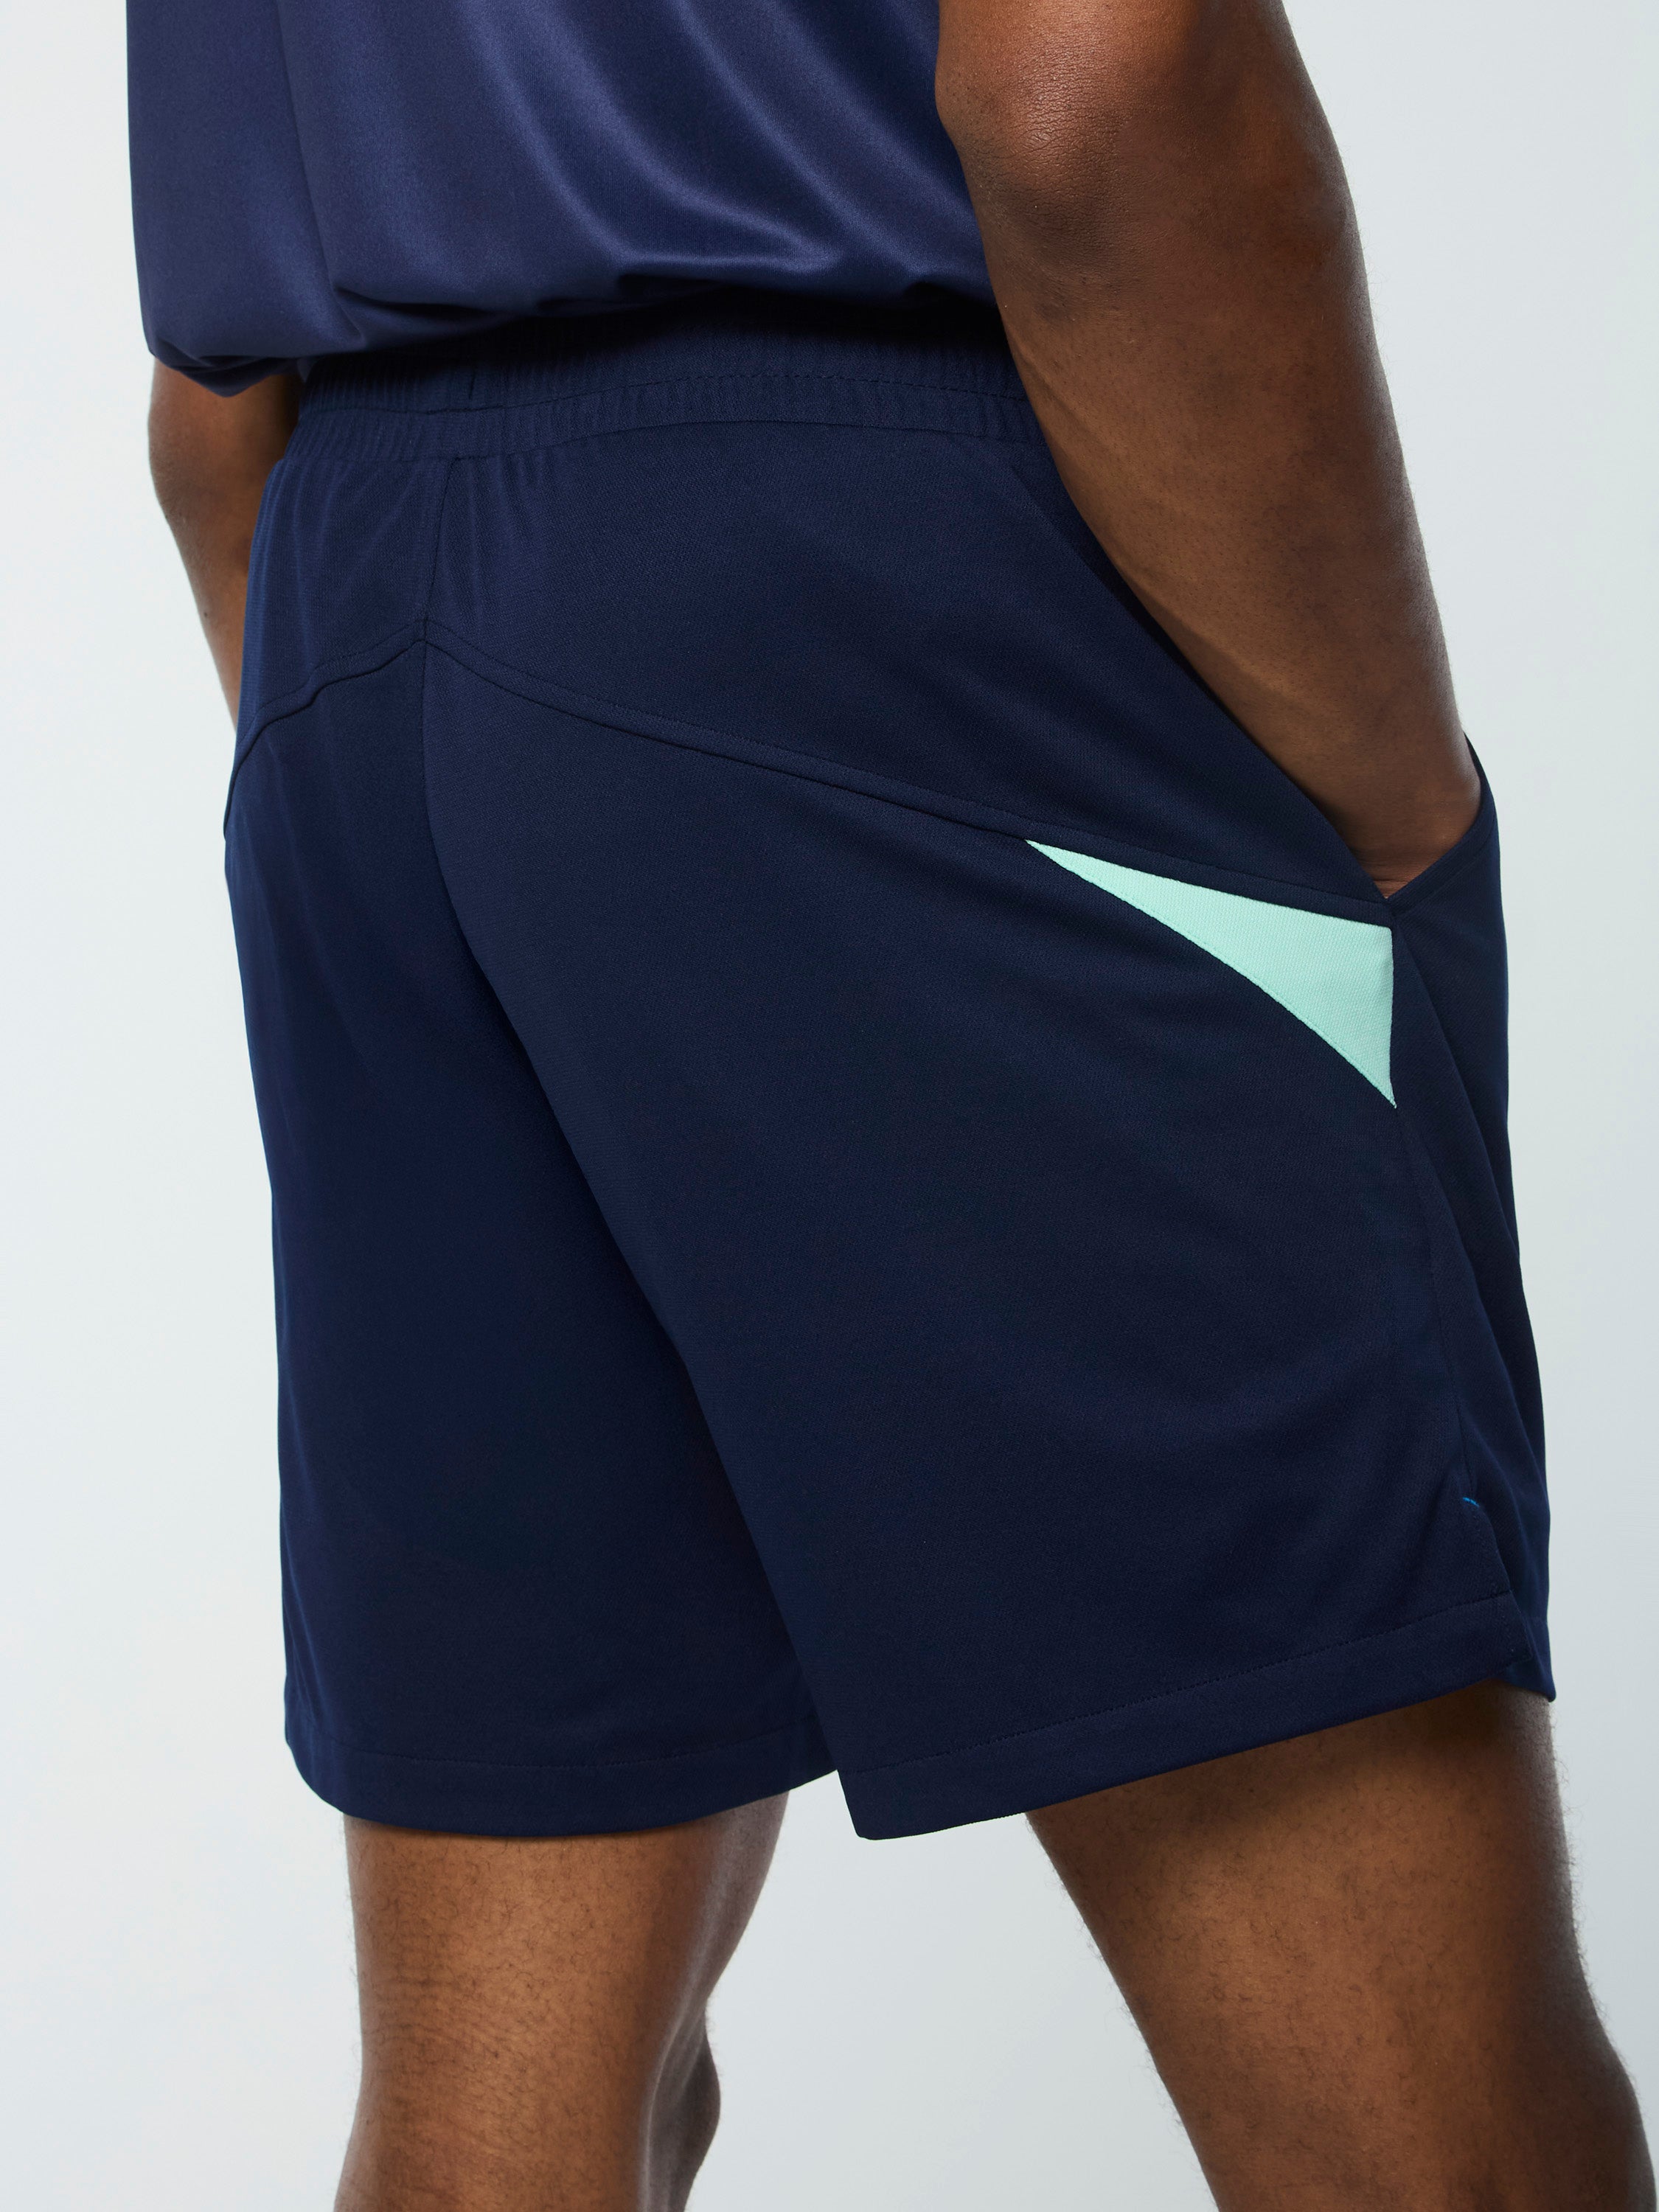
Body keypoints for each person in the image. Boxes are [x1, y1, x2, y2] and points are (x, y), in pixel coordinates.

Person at [132, 0, 1652, 2204]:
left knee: (512, 2137)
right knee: (1436, 2145)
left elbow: (205, 423)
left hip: (353, 613)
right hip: (876, 585)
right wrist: (1390, 808)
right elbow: (1092, 74)